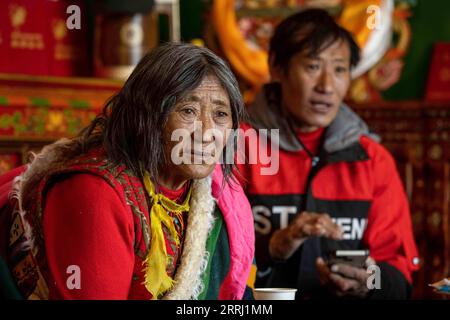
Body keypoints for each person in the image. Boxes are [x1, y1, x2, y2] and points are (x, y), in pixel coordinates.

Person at [0, 42, 255, 300]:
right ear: (147, 115)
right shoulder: (96, 193)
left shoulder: (218, 197)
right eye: (188, 111)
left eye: (221, 114)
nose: (207, 132)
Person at [236, 8, 419, 299]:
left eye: (339, 69)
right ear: (276, 68)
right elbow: (205, 260)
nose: (326, 86)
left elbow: (399, 276)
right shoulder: (235, 149)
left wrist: (368, 283)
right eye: (312, 67)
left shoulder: (371, 159)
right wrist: (272, 248)